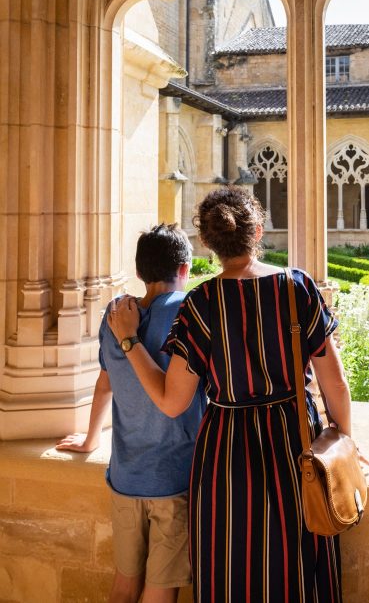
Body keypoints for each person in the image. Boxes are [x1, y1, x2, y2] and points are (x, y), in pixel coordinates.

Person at [108, 187, 355, 603]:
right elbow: (335, 384)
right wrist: (345, 440)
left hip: (226, 453)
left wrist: (130, 341)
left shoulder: (200, 304)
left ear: (207, 243)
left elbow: (172, 402)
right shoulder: (296, 288)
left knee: (233, 563)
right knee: (296, 559)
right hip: (293, 444)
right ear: (257, 231)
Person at [57, 223, 207, 603]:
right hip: (173, 482)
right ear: (185, 270)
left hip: (125, 478)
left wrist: (92, 439)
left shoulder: (115, 313)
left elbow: (105, 383)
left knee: (124, 585)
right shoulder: (189, 314)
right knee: (159, 591)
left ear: (139, 272)